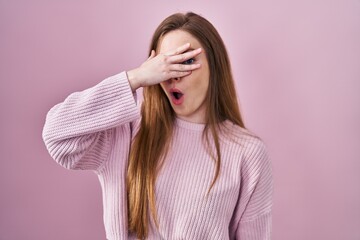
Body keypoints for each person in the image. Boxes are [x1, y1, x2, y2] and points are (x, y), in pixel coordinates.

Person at [42, 12, 273, 240]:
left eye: (186, 61)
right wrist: (135, 78)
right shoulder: (127, 130)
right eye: (165, 64)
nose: (173, 75)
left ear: (215, 65)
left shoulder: (248, 152)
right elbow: (56, 134)